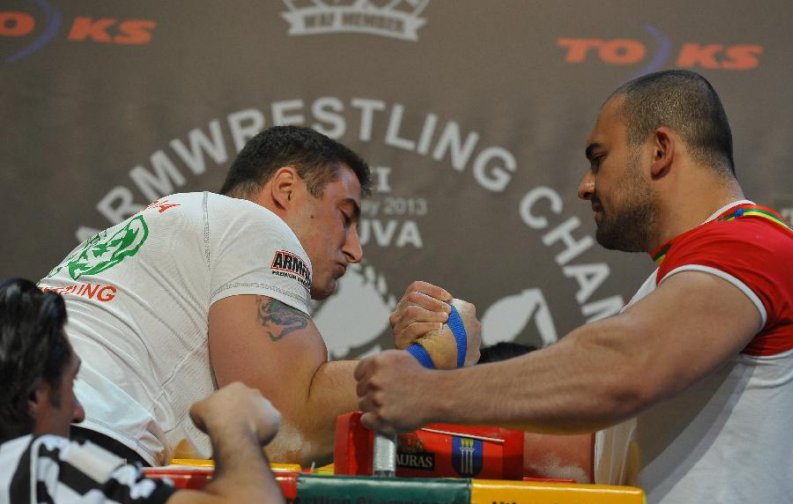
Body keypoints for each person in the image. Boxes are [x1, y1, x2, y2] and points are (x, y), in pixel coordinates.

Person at [354, 70, 793, 504]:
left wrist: (426, 392)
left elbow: (622, 368)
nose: (585, 185)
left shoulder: (755, 249)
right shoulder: (688, 274)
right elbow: (585, 449)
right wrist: (436, 382)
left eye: (598, 157)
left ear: (659, 150)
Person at [39, 126, 477, 467]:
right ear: (286, 189)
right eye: (345, 217)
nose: (355, 250)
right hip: (75, 437)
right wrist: (434, 356)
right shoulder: (253, 225)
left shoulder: (175, 226)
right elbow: (286, 426)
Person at [0, 278, 292, 504]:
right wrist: (236, 424)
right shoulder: (42, 473)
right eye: (72, 384)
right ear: (34, 395)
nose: (79, 412)